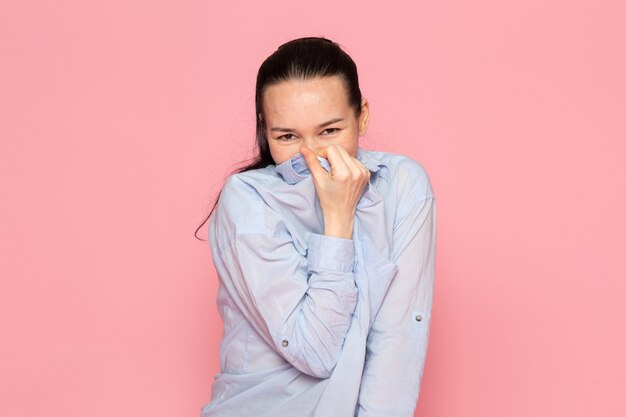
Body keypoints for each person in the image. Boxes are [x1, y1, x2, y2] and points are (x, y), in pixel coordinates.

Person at [197, 36, 436, 417]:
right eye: (287, 137)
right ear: (265, 129)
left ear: (362, 116)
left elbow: (397, 342)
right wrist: (338, 220)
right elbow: (313, 351)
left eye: (329, 131)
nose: (312, 157)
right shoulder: (246, 201)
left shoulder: (401, 185)